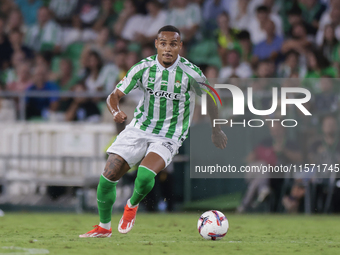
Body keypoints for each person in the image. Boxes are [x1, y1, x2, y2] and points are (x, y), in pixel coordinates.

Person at [79, 25, 227, 238]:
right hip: (139, 128)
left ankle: (131, 205)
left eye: (173, 44)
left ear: (180, 47)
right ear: (156, 44)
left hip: (170, 134)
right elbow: (113, 95)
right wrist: (115, 111)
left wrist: (216, 130)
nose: (168, 49)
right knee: (107, 177)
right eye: (164, 43)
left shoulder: (190, 72)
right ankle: (104, 227)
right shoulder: (143, 68)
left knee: (145, 175)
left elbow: (212, 99)